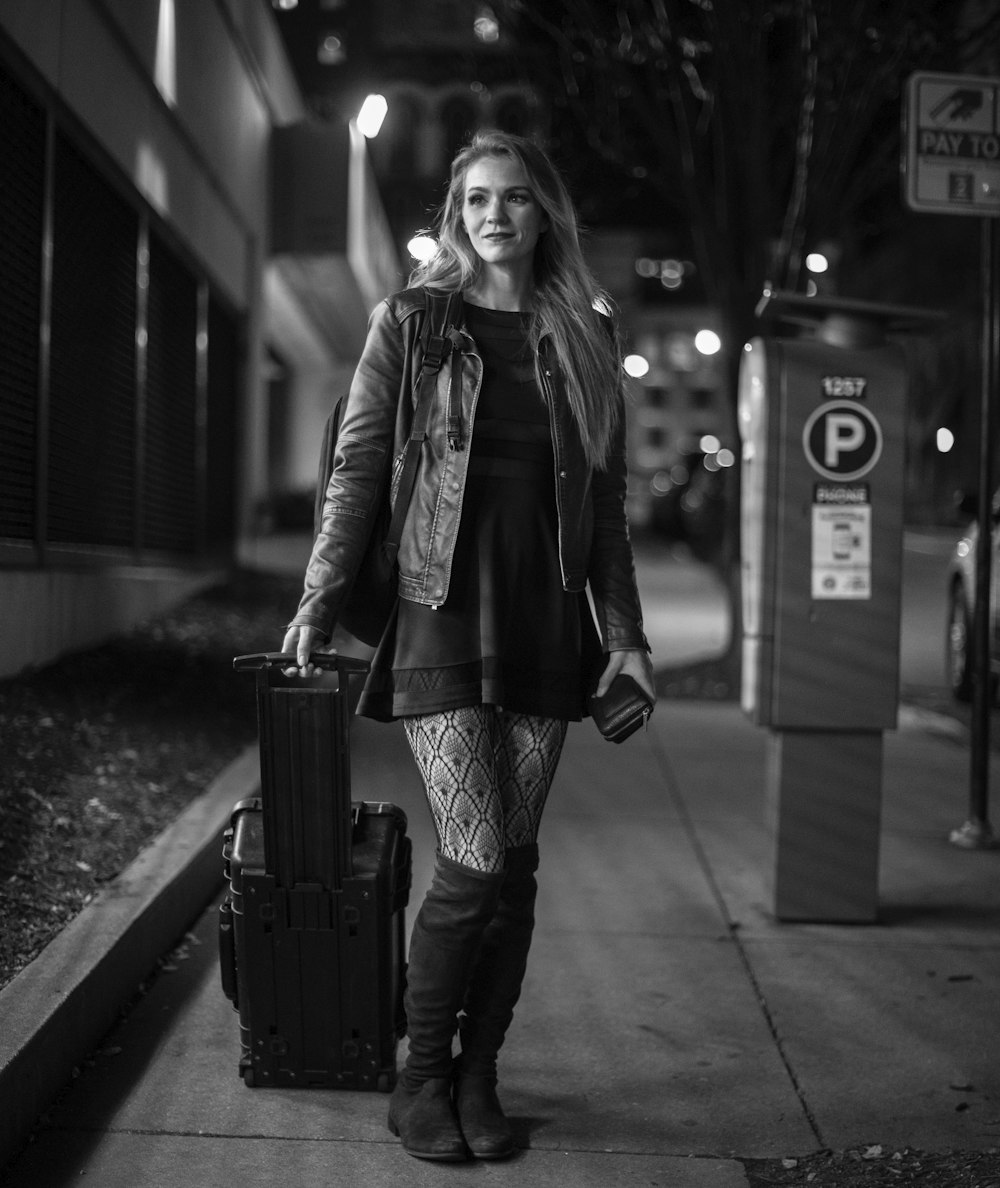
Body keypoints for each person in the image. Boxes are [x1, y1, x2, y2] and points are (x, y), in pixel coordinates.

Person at [281, 130, 654, 1163]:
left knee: (515, 867)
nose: (496, 215)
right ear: (456, 216)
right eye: (478, 199)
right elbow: (358, 470)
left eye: (517, 199)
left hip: (545, 616)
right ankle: (420, 1079)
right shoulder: (410, 321)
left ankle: (478, 1072)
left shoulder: (582, 331)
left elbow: (609, 508)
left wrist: (624, 638)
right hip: (439, 610)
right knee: (478, 857)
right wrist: (318, 597)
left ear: (545, 216)